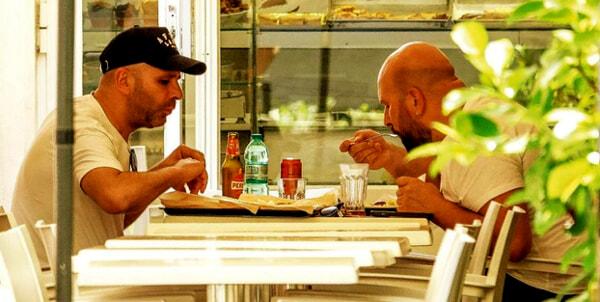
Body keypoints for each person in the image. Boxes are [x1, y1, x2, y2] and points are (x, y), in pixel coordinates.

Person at [339, 42, 584, 300]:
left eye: (387, 105)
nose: (386, 120)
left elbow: (514, 244)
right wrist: (392, 159)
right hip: (537, 278)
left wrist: (434, 207)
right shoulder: (472, 116)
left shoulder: (475, 137)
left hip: (552, 289)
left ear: (414, 100)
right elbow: (451, 180)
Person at [11, 27, 209, 268]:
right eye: (164, 81)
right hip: (70, 288)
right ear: (124, 80)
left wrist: (165, 167)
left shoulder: (95, 120)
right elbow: (115, 197)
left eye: (177, 81)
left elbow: (117, 216)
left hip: (86, 279)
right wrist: (173, 174)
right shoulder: (83, 125)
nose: (177, 93)